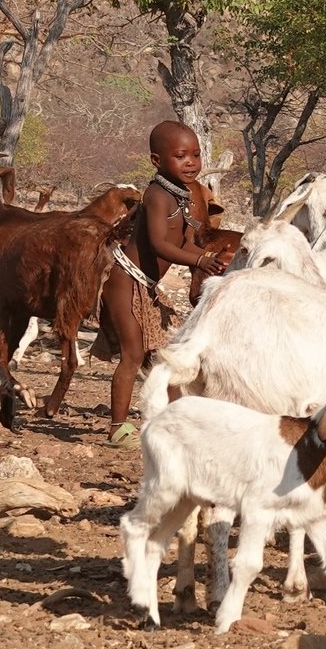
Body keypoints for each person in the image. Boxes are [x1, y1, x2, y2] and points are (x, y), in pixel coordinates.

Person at [96, 121, 232, 444]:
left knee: (163, 356)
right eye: (181, 156)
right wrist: (199, 260)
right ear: (157, 161)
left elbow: (183, 243)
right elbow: (158, 243)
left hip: (144, 287)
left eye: (196, 155)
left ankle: (174, 420)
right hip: (126, 282)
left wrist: (212, 259)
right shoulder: (157, 195)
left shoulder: (180, 196)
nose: (191, 163)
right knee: (132, 355)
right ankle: (117, 429)